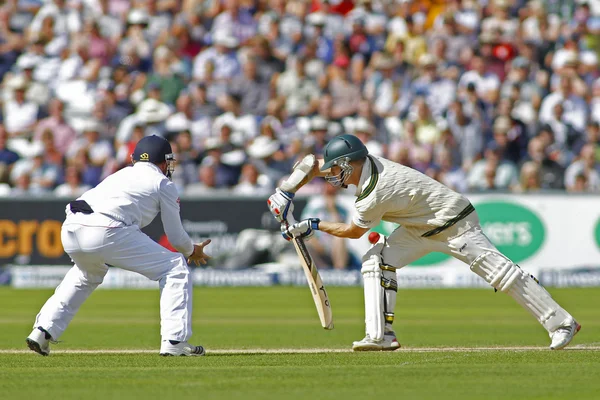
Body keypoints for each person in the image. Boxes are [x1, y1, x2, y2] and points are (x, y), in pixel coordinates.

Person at [267, 134, 580, 351]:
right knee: (376, 261)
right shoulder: (362, 163)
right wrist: (285, 192)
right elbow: (310, 163)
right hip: (418, 228)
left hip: (455, 224)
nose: (334, 176)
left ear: (350, 164)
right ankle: (380, 336)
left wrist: (312, 224)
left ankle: (562, 324)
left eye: (337, 170)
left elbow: (353, 232)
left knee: (503, 275)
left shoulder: (374, 194)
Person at [26, 135, 211, 357]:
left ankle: (43, 330)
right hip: (106, 228)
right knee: (175, 267)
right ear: (163, 161)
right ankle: (175, 341)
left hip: (71, 227)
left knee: (87, 274)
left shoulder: (121, 173)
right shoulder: (163, 183)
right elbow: (176, 237)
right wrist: (192, 250)